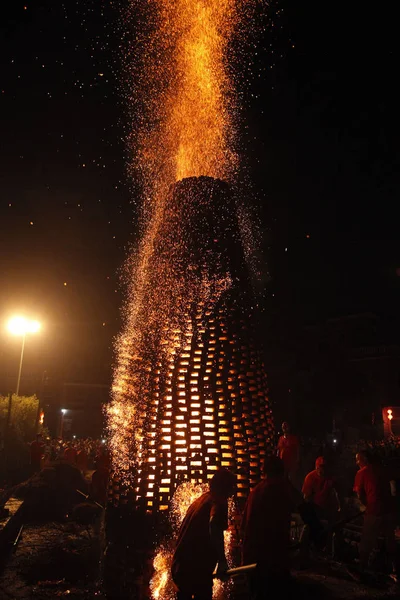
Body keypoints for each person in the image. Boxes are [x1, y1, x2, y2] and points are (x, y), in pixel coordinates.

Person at [171, 468, 236, 600]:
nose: (233, 492)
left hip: (181, 566)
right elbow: (214, 524)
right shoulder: (218, 501)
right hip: (195, 568)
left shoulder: (201, 500)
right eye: (232, 486)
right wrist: (222, 562)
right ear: (226, 487)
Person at [241, 456, 294, 598]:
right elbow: (277, 528)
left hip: (252, 558)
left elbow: (244, 525)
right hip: (268, 562)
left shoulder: (256, 491)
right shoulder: (276, 491)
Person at [353, 450, 399, 579]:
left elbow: (359, 495)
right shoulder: (382, 469)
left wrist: (367, 505)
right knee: (390, 540)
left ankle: (362, 567)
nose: (357, 462)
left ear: (365, 460)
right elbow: (393, 486)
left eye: (358, 459)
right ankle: (395, 570)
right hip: (388, 510)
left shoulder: (361, 473)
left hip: (374, 510)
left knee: (366, 540)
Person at [302, 456, 340, 521]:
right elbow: (306, 497)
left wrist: (339, 507)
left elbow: (337, 493)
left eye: (323, 468)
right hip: (316, 511)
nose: (321, 470)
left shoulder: (331, 477)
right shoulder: (310, 477)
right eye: (319, 468)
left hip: (330, 511)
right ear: (316, 467)